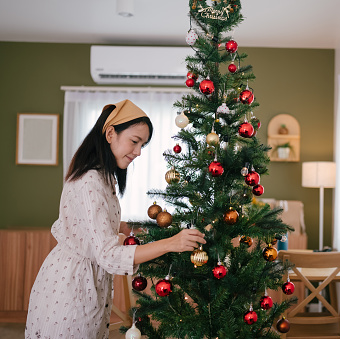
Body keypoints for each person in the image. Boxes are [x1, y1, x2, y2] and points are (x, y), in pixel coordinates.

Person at [25, 99, 206, 339]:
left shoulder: (104, 176)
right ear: (110, 133)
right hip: (71, 287)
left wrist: (143, 229)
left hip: (86, 282)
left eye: (142, 145)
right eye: (134, 141)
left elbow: (99, 224)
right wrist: (171, 243)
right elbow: (109, 254)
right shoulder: (90, 180)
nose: (139, 152)